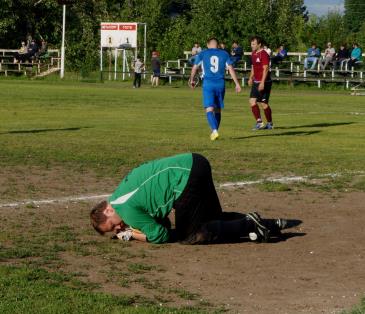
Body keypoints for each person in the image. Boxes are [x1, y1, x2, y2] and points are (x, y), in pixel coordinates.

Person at [90, 153, 288, 244]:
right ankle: (268, 224)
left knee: (189, 236)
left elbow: (161, 235)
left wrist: (133, 234)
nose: (119, 228)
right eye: (115, 231)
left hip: (186, 177)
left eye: (113, 226)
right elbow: (163, 221)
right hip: (196, 162)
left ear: (108, 210)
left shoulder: (125, 210)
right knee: (212, 218)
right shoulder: (119, 194)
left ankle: (249, 224)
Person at [189, 37, 241, 141]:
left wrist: (191, 79)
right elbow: (231, 68)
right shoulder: (224, 54)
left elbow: (195, 67)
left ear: (208, 45)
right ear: (217, 45)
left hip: (208, 84)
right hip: (220, 84)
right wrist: (237, 84)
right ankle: (215, 131)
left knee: (209, 109)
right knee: (217, 110)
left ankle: (214, 130)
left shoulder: (203, 53)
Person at [248, 35, 274, 130]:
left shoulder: (264, 54)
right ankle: (259, 122)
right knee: (252, 101)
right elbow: (253, 67)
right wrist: (251, 78)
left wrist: (262, 82)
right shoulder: (253, 54)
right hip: (256, 81)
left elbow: (266, 69)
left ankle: (270, 123)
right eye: (251, 43)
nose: (252, 45)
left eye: (254, 44)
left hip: (265, 82)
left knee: (263, 104)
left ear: (259, 44)